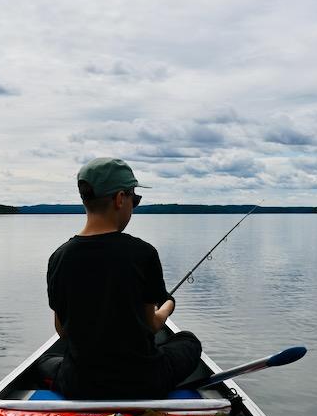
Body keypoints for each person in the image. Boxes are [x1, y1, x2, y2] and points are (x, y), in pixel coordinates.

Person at [45, 157, 203, 398]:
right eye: (135, 199)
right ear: (120, 199)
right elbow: (151, 325)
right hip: (144, 382)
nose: (133, 205)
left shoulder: (58, 257)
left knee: (48, 361)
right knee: (189, 341)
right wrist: (168, 306)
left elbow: (63, 332)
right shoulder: (143, 253)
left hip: (80, 384)